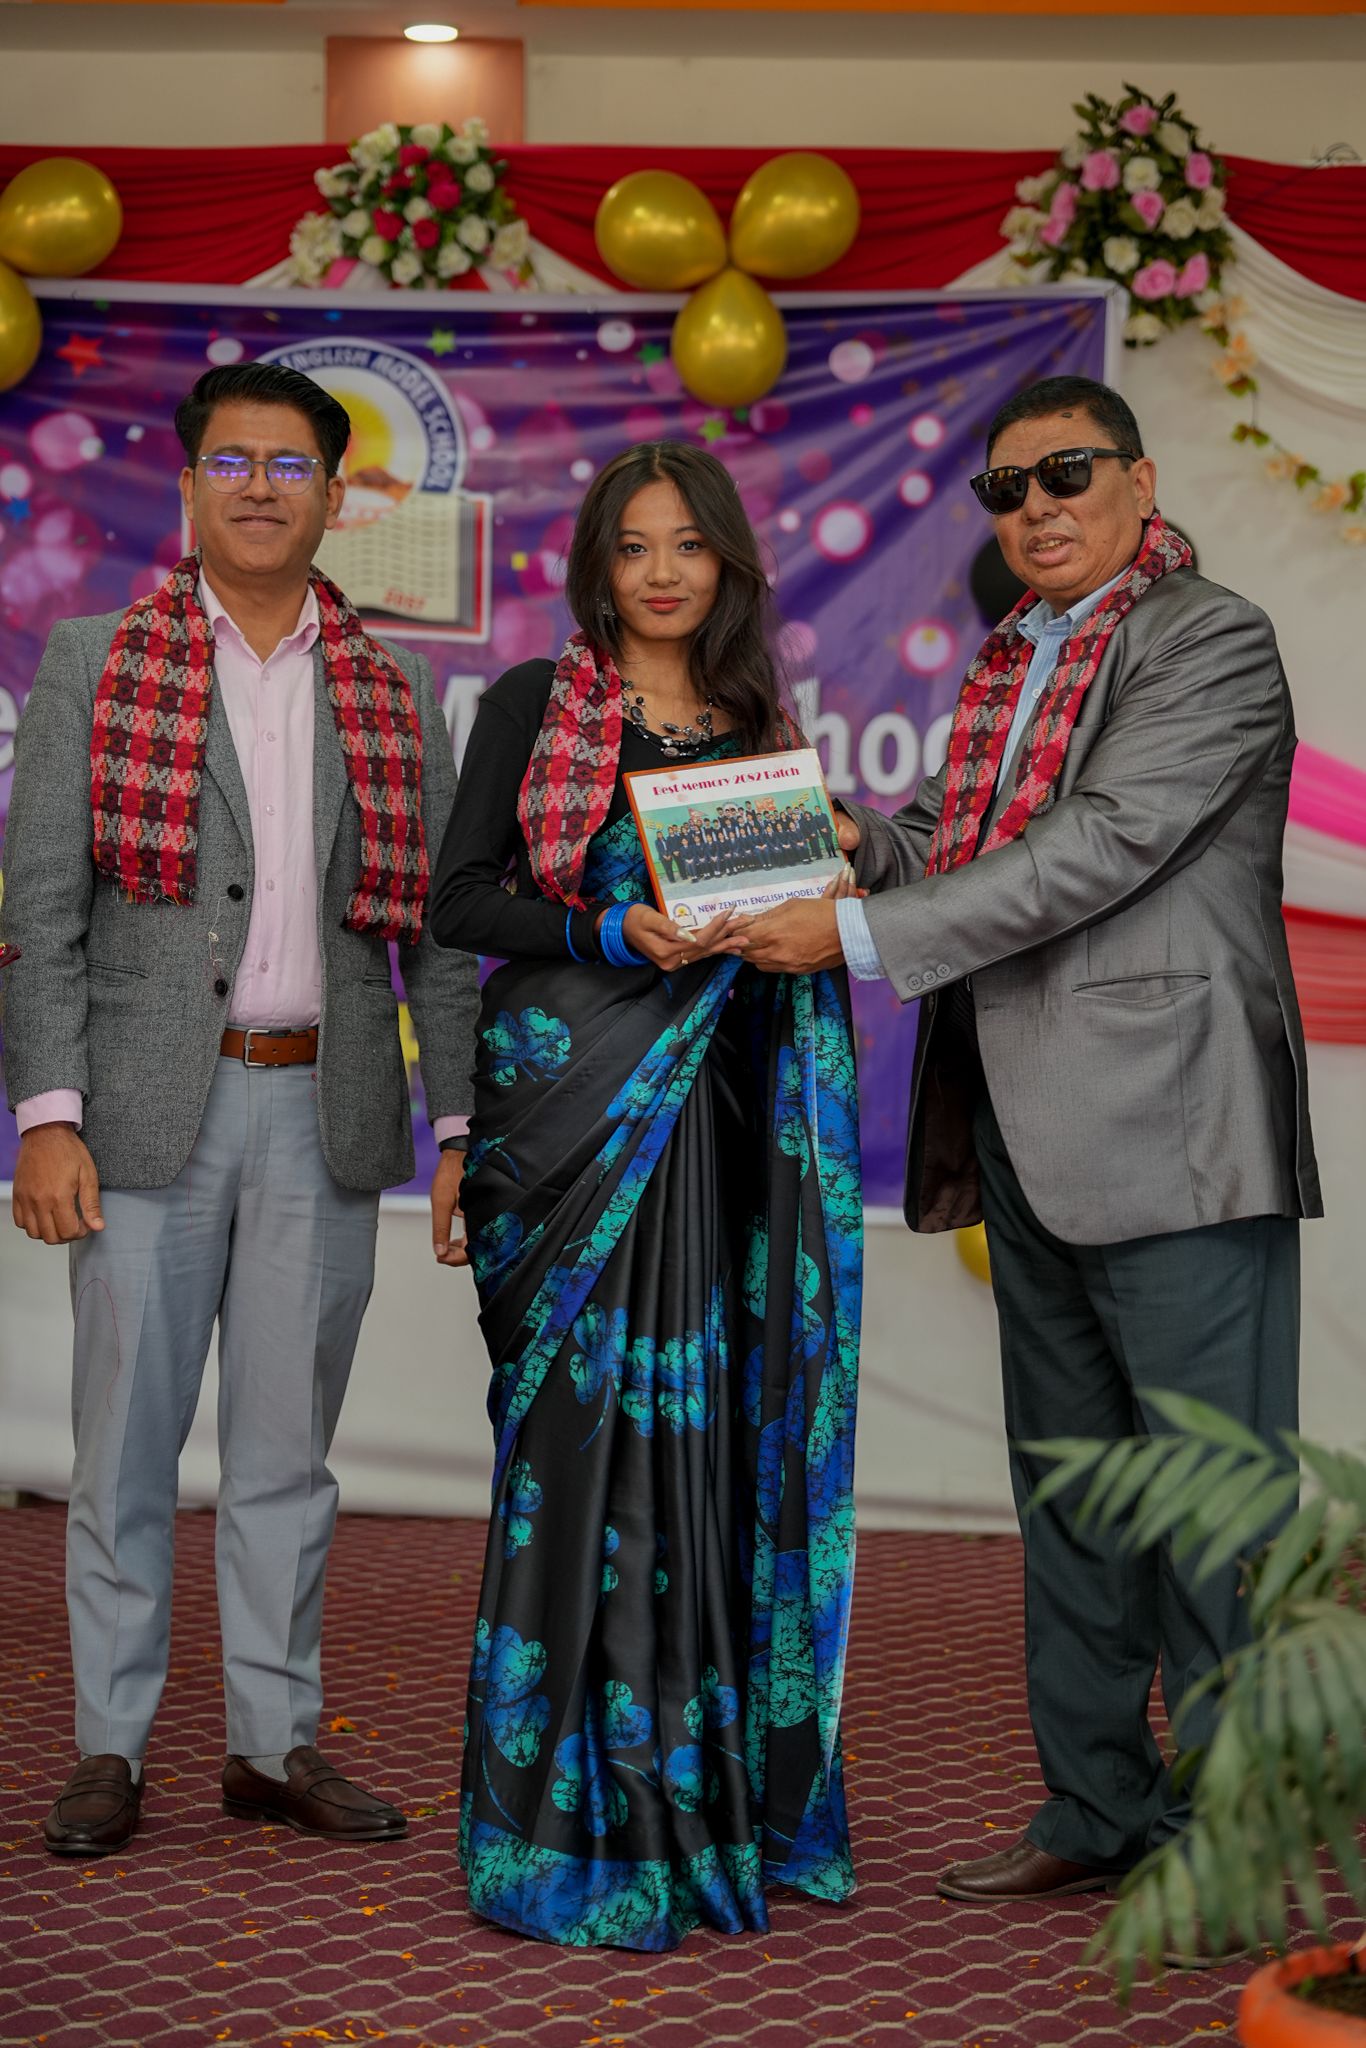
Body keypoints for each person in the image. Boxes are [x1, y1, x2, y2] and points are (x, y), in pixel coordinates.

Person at [733, 376, 1318, 1958]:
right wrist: (833, 837)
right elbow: (951, 834)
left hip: (1179, 1131)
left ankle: (1228, 1844)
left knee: (1211, 1510)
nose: (1034, 508)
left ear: (1138, 478)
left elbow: (1102, 843)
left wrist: (856, 932)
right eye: (1004, 489)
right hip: (1023, 1129)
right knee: (1068, 1503)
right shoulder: (1014, 656)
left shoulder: (1207, 638)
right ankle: (1095, 1809)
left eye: (1064, 474)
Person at [2, 361, 480, 1858]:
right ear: (190, 486)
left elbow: (439, 940)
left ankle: (272, 1744)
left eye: (288, 465)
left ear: (336, 494)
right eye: (231, 462)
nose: (260, 487)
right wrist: (48, 1113)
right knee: (124, 1451)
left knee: (287, 1456)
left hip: (320, 1110)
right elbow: (40, 907)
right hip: (144, 1115)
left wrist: (459, 1129)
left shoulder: (394, 687)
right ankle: (110, 1746)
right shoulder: (96, 659)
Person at [429, 439, 862, 1951]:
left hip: (723, 1128)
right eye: (633, 546)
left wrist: (825, 885)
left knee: (712, 1451)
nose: (662, 572)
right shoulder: (532, 705)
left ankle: (703, 1804)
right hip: (574, 1131)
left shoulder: (753, 729)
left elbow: (783, 931)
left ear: (727, 562)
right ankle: (568, 1825)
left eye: (688, 544)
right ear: (596, 567)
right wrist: (614, 931)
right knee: (581, 1456)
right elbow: (460, 899)